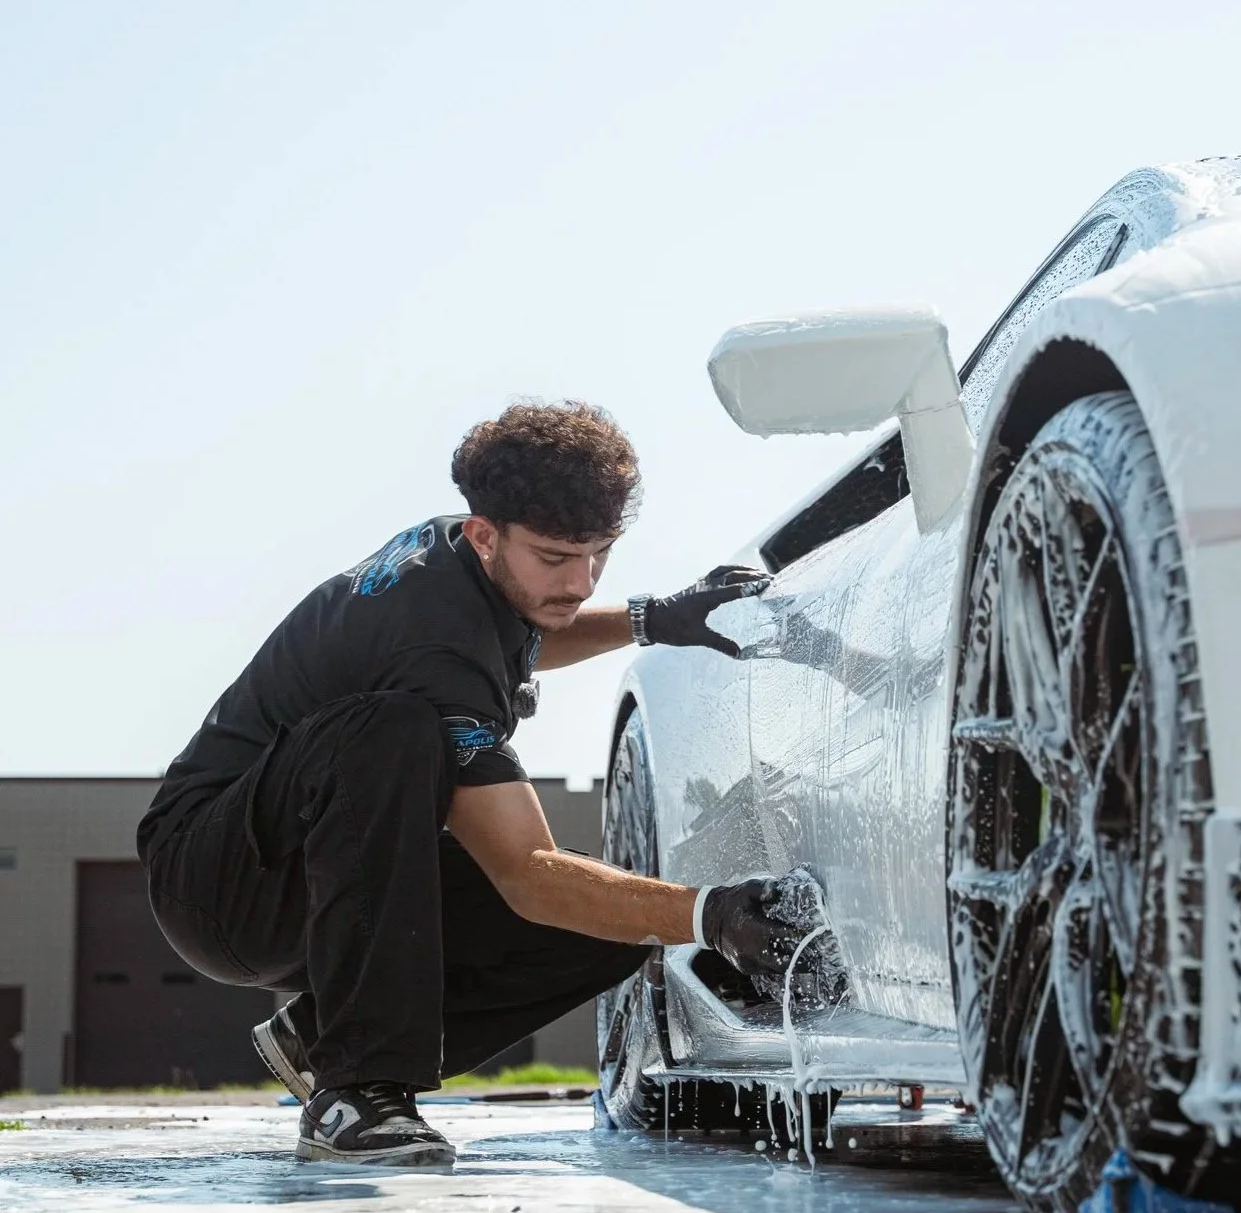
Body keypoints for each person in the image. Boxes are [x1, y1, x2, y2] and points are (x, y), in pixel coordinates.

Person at [137, 401, 801, 1166]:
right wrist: (713, 914)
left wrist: (653, 618)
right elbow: (527, 875)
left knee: (605, 932)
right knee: (395, 733)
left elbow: (527, 627)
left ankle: (323, 1035)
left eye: (600, 554)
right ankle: (358, 1088)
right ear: (488, 534)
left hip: (311, 860)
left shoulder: (462, 556)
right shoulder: (432, 647)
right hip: (216, 878)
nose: (581, 581)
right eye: (557, 557)